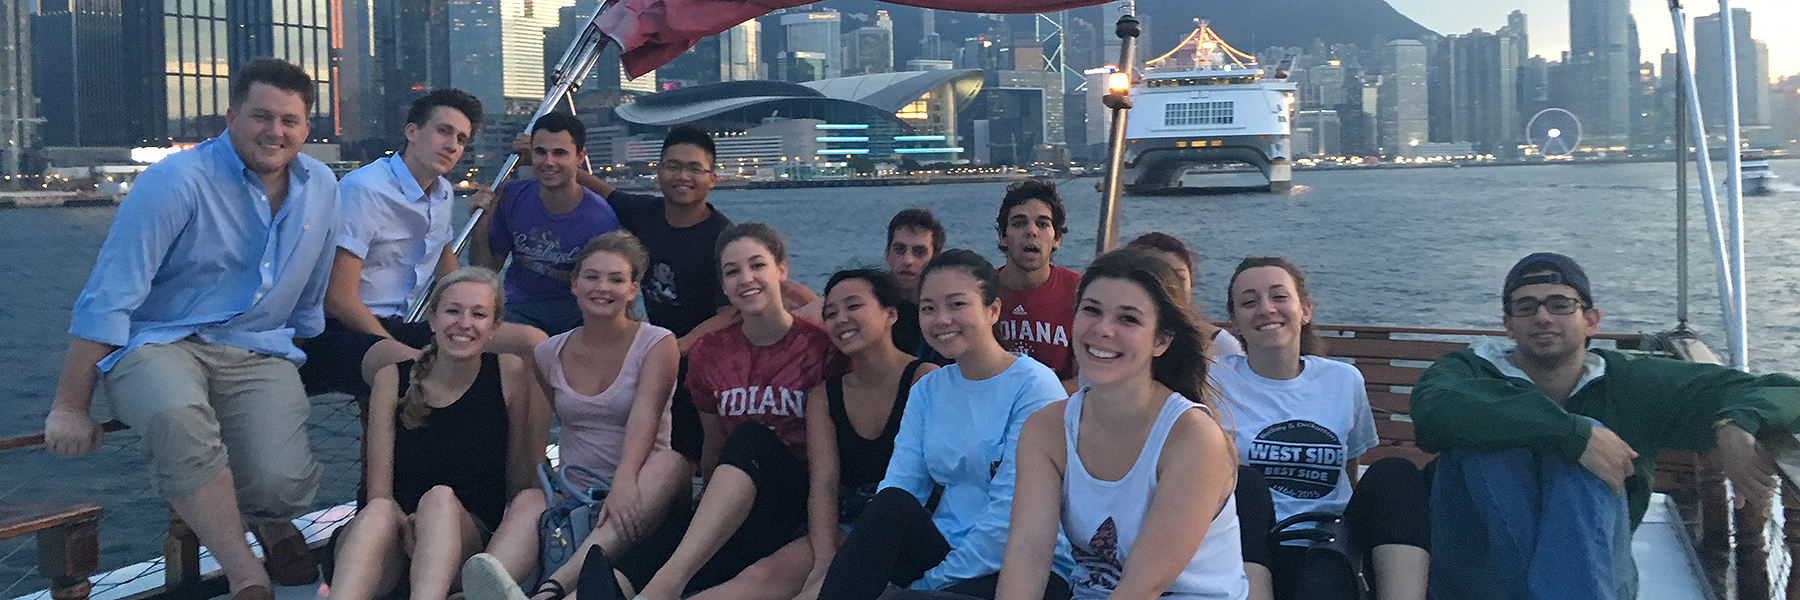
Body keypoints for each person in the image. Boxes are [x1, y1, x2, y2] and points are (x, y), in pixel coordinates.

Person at [42, 58, 336, 600]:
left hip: (256, 344)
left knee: (280, 483)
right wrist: (70, 406)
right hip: (159, 340)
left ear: (306, 128)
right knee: (176, 416)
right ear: (232, 117)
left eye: (289, 120)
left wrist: (297, 356)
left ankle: (270, 521)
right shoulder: (175, 180)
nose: (275, 131)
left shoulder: (320, 184)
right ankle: (246, 575)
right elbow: (110, 295)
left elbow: (311, 286)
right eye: (261, 116)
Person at [1411, 252, 1800, 600]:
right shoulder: (1469, 370)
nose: (1543, 317)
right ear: (1508, 325)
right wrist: (1574, 435)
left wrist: (1736, 422)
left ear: (1591, 321)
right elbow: (1431, 412)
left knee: (1586, 449)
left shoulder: (1633, 383)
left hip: (1599, 575)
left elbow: (1784, 390)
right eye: (1526, 307)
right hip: (1478, 580)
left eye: (1560, 305)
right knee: (1500, 444)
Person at [817, 249, 1074, 600]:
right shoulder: (929, 388)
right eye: (928, 308)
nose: (941, 319)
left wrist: (927, 585)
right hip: (946, 551)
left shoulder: (1034, 386)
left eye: (956, 304)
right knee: (890, 504)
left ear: (993, 310)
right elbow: (902, 484)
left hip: (1024, 564)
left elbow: (1010, 516)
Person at [996, 247, 1247, 600]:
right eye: (1091, 310)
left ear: (1161, 340)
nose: (1103, 329)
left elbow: (1143, 585)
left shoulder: (1193, 438)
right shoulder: (1045, 429)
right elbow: (1029, 553)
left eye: (1128, 319)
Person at [462, 232, 692, 600]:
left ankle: (552, 588)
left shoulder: (657, 343)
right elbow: (560, 420)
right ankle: (488, 584)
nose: (603, 287)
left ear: (633, 289)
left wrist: (623, 483)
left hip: (642, 487)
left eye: (616, 279)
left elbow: (645, 417)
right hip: (575, 492)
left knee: (671, 462)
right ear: (574, 284)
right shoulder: (548, 353)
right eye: (592, 276)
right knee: (528, 500)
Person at [621, 222, 838, 600]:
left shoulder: (821, 349)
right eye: (733, 271)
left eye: (758, 265)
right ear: (723, 285)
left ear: (781, 270)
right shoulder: (709, 352)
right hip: (735, 498)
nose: (746, 279)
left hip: (795, 496)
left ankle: (662, 589)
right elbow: (713, 444)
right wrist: (706, 509)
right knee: (651, 551)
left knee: (750, 437)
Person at [300, 89, 548, 397]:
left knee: (531, 343)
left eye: (461, 139)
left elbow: (447, 273)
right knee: (422, 369)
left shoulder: (442, 193)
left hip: (403, 324)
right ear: (412, 132)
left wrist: (482, 315)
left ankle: (532, 431)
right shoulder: (365, 190)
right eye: (443, 131)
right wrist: (395, 345)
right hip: (340, 330)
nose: (452, 145)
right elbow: (337, 297)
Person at [1213, 257, 1428, 600]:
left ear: (1305, 311)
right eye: (1249, 302)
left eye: (1279, 297)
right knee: (1244, 484)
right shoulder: (1214, 380)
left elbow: (1349, 467)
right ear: (1234, 322)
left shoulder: (1342, 380)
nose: (1266, 309)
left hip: (1331, 545)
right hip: (1252, 545)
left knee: (1396, 472)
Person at [328, 267, 547, 600]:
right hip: (388, 544)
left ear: (494, 328)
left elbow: (516, 483)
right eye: (453, 311)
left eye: (478, 314)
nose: (464, 323)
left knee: (439, 499)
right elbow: (379, 492)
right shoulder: (391, 378)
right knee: (379, 511)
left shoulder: (509, 374)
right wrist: (407, 526)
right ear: (432, 320)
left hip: (462, 543)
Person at [471, 112, 622, 336]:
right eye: (540, 152)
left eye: (560, 153)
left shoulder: (601, 218)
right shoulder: (511, 196)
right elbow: (486, 270)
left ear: (580, 157)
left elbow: (606, 291)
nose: (548, 162)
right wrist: (481, 223)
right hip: (518, 308)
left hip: (576, 312)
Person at [993, 180, 1081, 390]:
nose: (1031, 231)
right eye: (1018, 223)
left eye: (1042, 224)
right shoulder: (980, 293)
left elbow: (1087, 380)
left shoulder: (1080, 292)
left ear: (1057, 239)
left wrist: (1035, 399)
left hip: (1058, 406)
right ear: (1003, 237)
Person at [1124, 232, 1242, 357]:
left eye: (1179, 278)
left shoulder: (1222, 347)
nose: (1171, 286)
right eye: (1157, 278)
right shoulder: (1113, 337)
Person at [883, 208, 947, 364]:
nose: (908, 261)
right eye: (899, 250)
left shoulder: (947, 314)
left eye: (919, 252)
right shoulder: (875, 308)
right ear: (887, 254)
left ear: (935, 259)